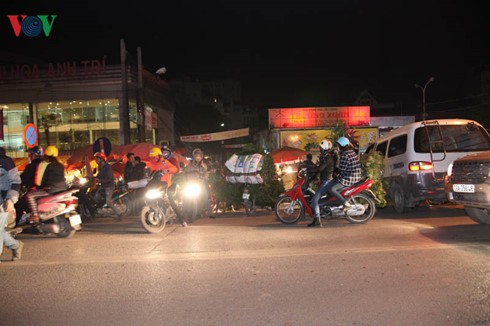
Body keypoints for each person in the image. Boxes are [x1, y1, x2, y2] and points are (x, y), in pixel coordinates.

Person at [26, 145, 68, 223]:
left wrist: (39, 186)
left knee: (30, 195)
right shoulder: (60, 165)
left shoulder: (44, 163)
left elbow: (38, 181)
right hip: (63, 189)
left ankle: (35, 215)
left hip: (50, 190)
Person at [324, 136, 362, 211]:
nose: (338, 147)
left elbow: (342, 170)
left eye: (338, 146)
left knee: (332, 189)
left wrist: (336, 176)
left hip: (349, 178)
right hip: (355, 176)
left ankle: (345, 203)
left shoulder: (344, 155)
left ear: (343, 146)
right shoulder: (352, 152)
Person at [0, 147, 24, 262]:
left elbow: (16, 181)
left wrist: (10, 199)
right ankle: (15, 245)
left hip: (2, 201)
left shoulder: (5, 161)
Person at [307, 140, 336, 227]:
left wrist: (310, 169)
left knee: (314, 201)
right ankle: (319, 216)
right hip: (325, 181)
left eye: (321, 148)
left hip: (327, 181)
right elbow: (319, 168)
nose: (320, 149)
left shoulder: (328, 158)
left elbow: (320, 168)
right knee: (317, 199)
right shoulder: (325, 157)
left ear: (324, 149)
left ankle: (317, 220)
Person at [184, 148, 214, 219]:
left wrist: (204, 175)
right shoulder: (189, 165)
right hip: (191, 184)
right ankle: (184, 213)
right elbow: (184, 172)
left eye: (199, 156)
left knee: (205, 197)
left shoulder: (203, 165)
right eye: (196, 156)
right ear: (194, 156)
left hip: (200, 184)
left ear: (202, 157)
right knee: (185, 197)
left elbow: (206, 173)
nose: (198, 157)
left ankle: (210, 214)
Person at [93, 152, 123, 221]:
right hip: (103, 186)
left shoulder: (107, 167)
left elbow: (109, 178)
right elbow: (98, 176)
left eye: (97, 159)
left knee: (108, 201)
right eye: (96, 159)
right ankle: (98, 212)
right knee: (95, 198)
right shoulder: (100, 167)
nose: (96, 160)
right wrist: (93, 178)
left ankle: (119, 213)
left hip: (109, 186)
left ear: (102, 159)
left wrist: (100, 181)